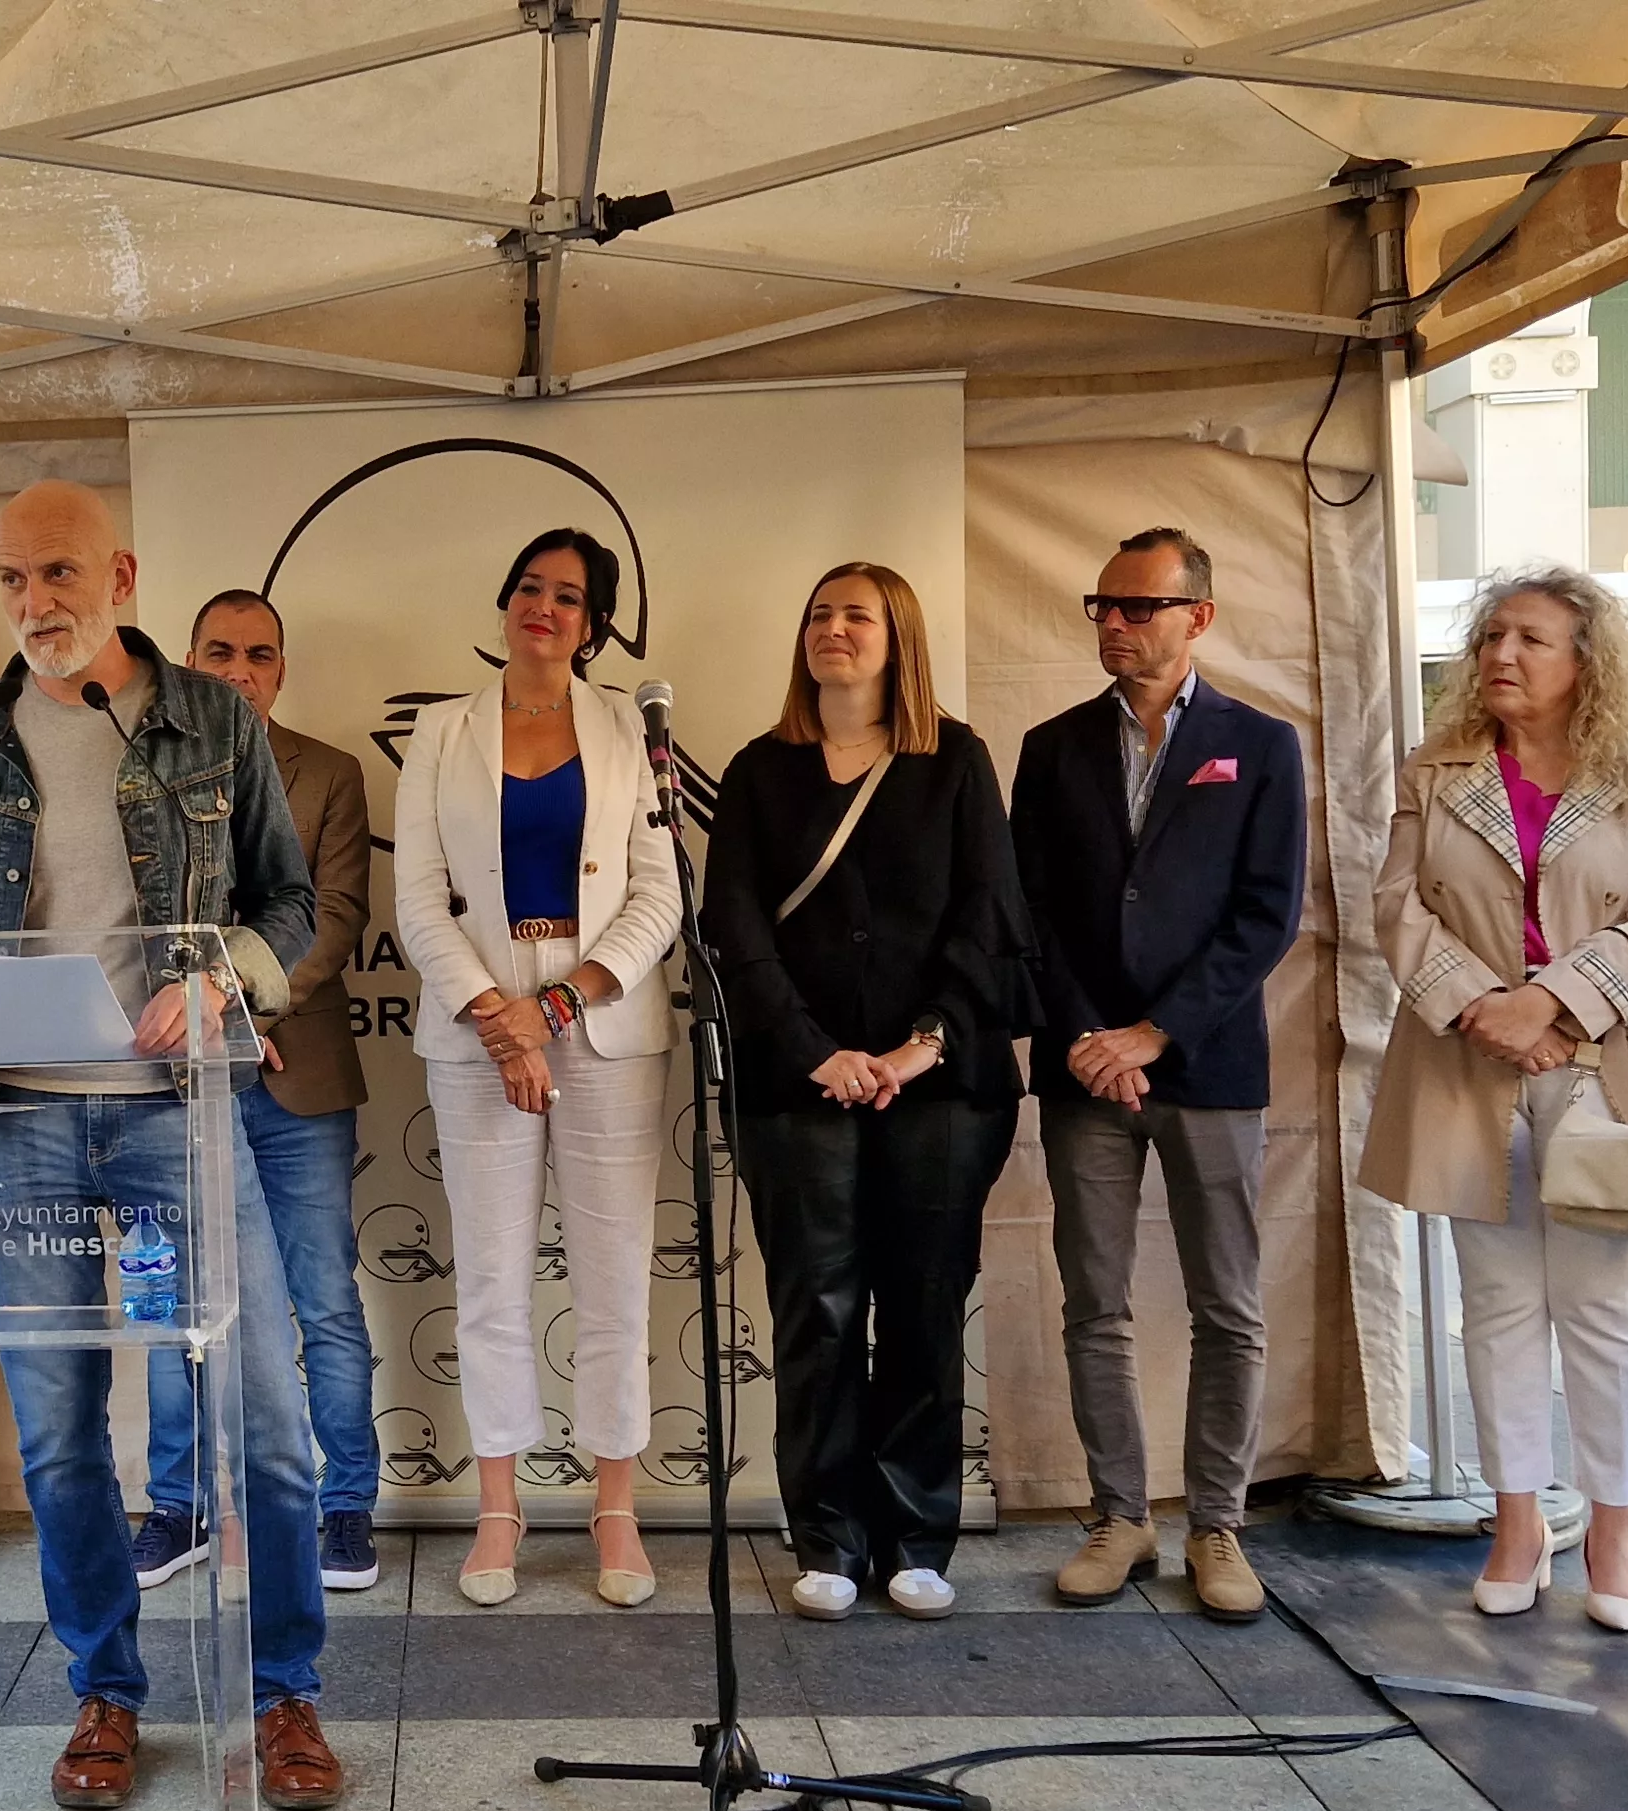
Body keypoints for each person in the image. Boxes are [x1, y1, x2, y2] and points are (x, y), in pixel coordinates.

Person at [0, 479, 342, 1811]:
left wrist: (220, 980)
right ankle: (106, 1692)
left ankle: (285, 1692)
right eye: (13, 579)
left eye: (60, 573)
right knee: (60, 1435)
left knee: (266, 1417)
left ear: (121, 575)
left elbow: (290, 903)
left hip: (173, 1110)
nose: (36, 603)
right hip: (13, 1118)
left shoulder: (208, 719)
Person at [1360, 566, 1628, 1634]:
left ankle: (1614, 1531)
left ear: (1586, 660)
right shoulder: (1437, 765)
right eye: (1490, 635)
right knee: (1495, 1303)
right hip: (1467, 1059)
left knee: (1601, 1303)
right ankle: (1517, 1522)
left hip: (1602, 1059)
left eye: (1530, 638)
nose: (1501, 654)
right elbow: (1397, 905)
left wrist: (1553, 1008)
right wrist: (1483, 1007)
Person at [707, 563, 1031, 1622]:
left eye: (857, 615)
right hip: (797, 1087)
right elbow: (734, 929)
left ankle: (916, 1537)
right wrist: (817, 1051)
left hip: (939, 1088)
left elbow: (991, 916)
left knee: (923, 1307)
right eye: (819, 613)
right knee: (818, 1313)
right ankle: (829, 1539)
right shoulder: (759, 770)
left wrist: (918, 1046)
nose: (832, 629)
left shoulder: (956, 760)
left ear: (901, 640)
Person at [1009, 527, 1309, 1623]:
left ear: (1199, 618)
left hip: (1209, 1064)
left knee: (1227, 1305)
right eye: (1104, 605)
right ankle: (1120, 1516)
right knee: (1095, 1301)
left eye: (1139, 607)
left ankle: (1217, 1525)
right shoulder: (1051, 748)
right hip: (1085, 1068)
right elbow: (1028, 913)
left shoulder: (1260, 744)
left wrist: (1156, 1034)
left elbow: (1266, 915)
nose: (1116, 625)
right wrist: (1092, 1038)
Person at [390, 528, 682, 1612]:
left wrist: (555, 1005)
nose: (542, 608)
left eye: (567, 596)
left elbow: (658, 892)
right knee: (491, 1279)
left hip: (603, 1021)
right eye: (528, 587)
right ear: (505, 601)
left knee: (612, 1276)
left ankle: (616, 1507)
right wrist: (501, 1021)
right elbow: (418, 898)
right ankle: (498, 1507)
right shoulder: (442, 729)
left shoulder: (630, 729)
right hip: (475, 1025)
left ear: (594, 624)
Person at [142, 588, 381, 1593]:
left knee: (322, 1298)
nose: (240, 671)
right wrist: (199, 1021)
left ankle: (346, 1504)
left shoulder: (330, 772)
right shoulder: (145, 769)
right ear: (189, 663)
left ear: (281, 669)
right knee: (174, 1302)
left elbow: (334, 916)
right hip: (172, 1075)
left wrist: (244, 1013)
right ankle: (179, 1504)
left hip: (296, 1074)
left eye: (260, 655)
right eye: (220, 653)